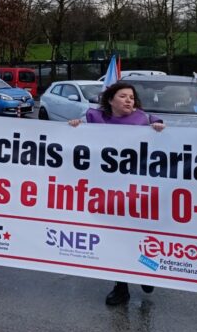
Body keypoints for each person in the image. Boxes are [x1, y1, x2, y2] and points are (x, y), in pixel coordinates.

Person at [69, 81, 165, 305]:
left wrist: (160, 129)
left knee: (139, 236)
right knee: (115, 237)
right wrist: (73, 126)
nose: (129, 100)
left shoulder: (146, 120)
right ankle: (121, 287)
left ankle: (146, 273)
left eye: (131, 97)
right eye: (123, 96)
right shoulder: (95, 118)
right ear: (110, 100)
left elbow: (164, 138)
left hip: (137, 190)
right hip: (108, 190)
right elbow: (76, 137)